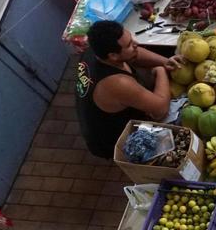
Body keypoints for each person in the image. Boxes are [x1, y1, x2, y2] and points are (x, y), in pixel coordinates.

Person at [74, 20, 176, 158]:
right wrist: (161, 70)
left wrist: (165, 61)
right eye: (129, 44)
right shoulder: (117, 83)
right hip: (111, 139)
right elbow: (161, 109)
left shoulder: (98, 48)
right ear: (113, 56)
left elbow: (135, 53)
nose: (136, 44)